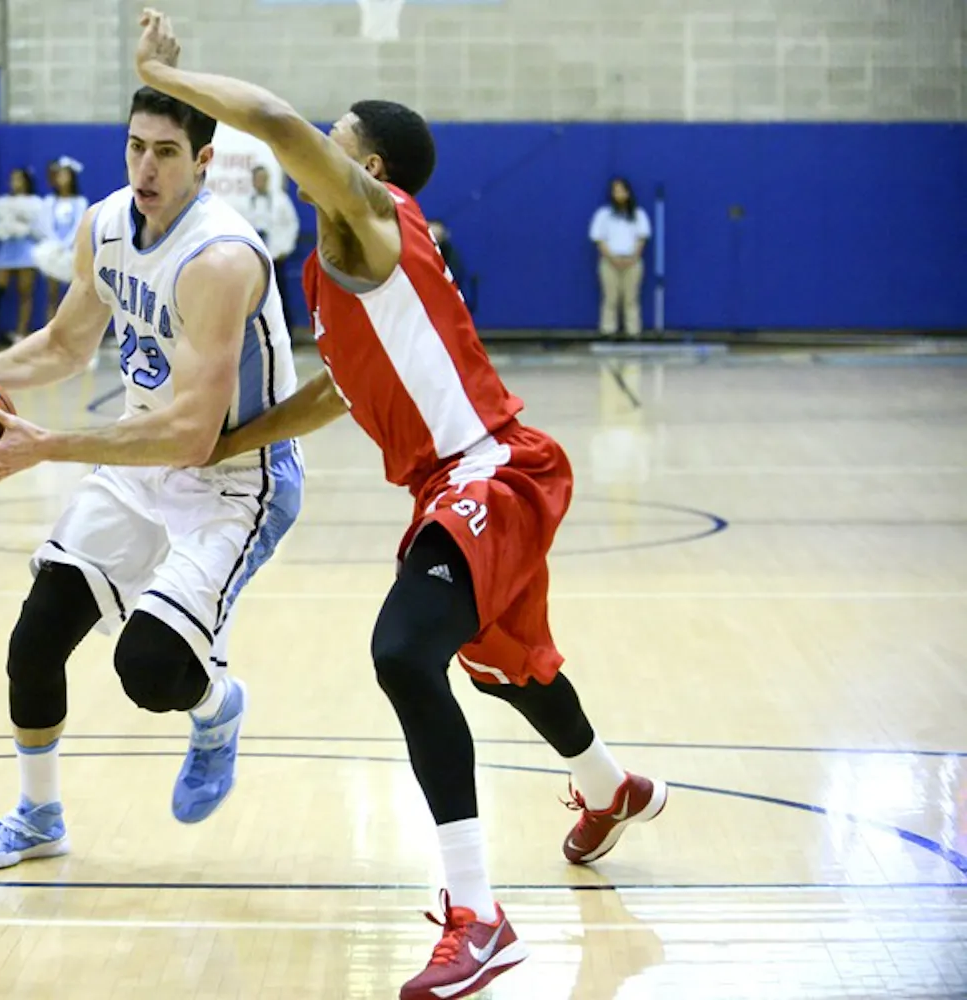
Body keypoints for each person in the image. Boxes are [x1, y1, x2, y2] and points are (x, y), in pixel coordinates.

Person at [132, 10, 666, 998]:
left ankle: (479, 916)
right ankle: (610, 787)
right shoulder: (342, 270)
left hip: (493, 470)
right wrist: (224, 441)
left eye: (333, 142)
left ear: (368, 165)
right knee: (505, 669)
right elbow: (334, 393)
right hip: (456, 483)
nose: (311, 150)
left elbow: (277, 119)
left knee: (401, 652)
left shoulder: (371, 218)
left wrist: (167, 74)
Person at [0, 85, 302, 873]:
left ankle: (217, 708)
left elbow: (192, 434)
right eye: (134, 146)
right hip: (136, 459)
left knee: (149, 673)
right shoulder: (107, 223)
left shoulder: (220, 258)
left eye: (166, 152)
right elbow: (65, 344)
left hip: (233, 480)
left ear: (204, 161)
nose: (144, 167)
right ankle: (37, 816)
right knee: (34, 642)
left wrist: (45, 446)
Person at [0, 167, 43, 348]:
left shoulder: (35, 202)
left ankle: (21, 333)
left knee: (25, 293)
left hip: (26, 252)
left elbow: (39, 229)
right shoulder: (2, 202)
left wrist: (24, 224)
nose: (15, 183)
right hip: (6, 251)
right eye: (13, 179)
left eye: (19, 179)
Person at [589, 177, 650, 338]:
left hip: (633, 262)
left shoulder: (639, 214)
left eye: (622, 190)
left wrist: (633, 258)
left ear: (628, 193)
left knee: (631, 299)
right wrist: (611, 258)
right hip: (609, 262)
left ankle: (633, 332)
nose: (619, 194)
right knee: (610, 298)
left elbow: (642, 238)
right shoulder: (603, 215)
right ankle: (608, 331)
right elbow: (598, 239)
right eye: (615, 191)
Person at [241, 164, 298, 326]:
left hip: (276, 257)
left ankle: (288, 334)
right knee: (254, 297)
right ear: (252, 181)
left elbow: (292, 225)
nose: (260, 182)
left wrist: (285, 249)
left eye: (263, 179)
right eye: (257, 179)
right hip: (254, 259)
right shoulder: (246, 203)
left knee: (280, 297)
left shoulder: (281, 200)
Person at [38, 157, 89, 318]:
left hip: (72, 251)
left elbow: (79, 225)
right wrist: (56, 244)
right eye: (59, 175)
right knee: (52, 294)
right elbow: (46, 225)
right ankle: (50, 329)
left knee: (73, 294)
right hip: (53, 252)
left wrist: (67, 243)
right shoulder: (49, 201)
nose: (62, 179)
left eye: (65, 175)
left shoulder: (80, 202)